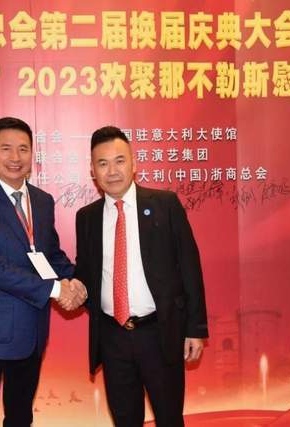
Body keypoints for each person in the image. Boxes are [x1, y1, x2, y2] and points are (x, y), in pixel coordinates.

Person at [73, 126, 208, 427]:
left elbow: (189, 266)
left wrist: (195, 328)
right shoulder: (87, 218)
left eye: (119, 161)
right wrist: (71, 288)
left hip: (159, 332)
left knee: (169, 418)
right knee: (124, 420)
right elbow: (85, 272)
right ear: (92, 171)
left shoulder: (165, 204)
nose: (112, 171)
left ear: (134, 164)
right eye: (103, 163)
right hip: (113, 336)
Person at [0, 117, 86, 427]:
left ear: (32, 155)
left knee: (20, 416)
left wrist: (82, 282)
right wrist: (57, 290)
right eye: (6, 148)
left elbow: (50, 255)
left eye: (23, 149)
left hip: (31, 329)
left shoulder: (42, 201)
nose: (15, 157)